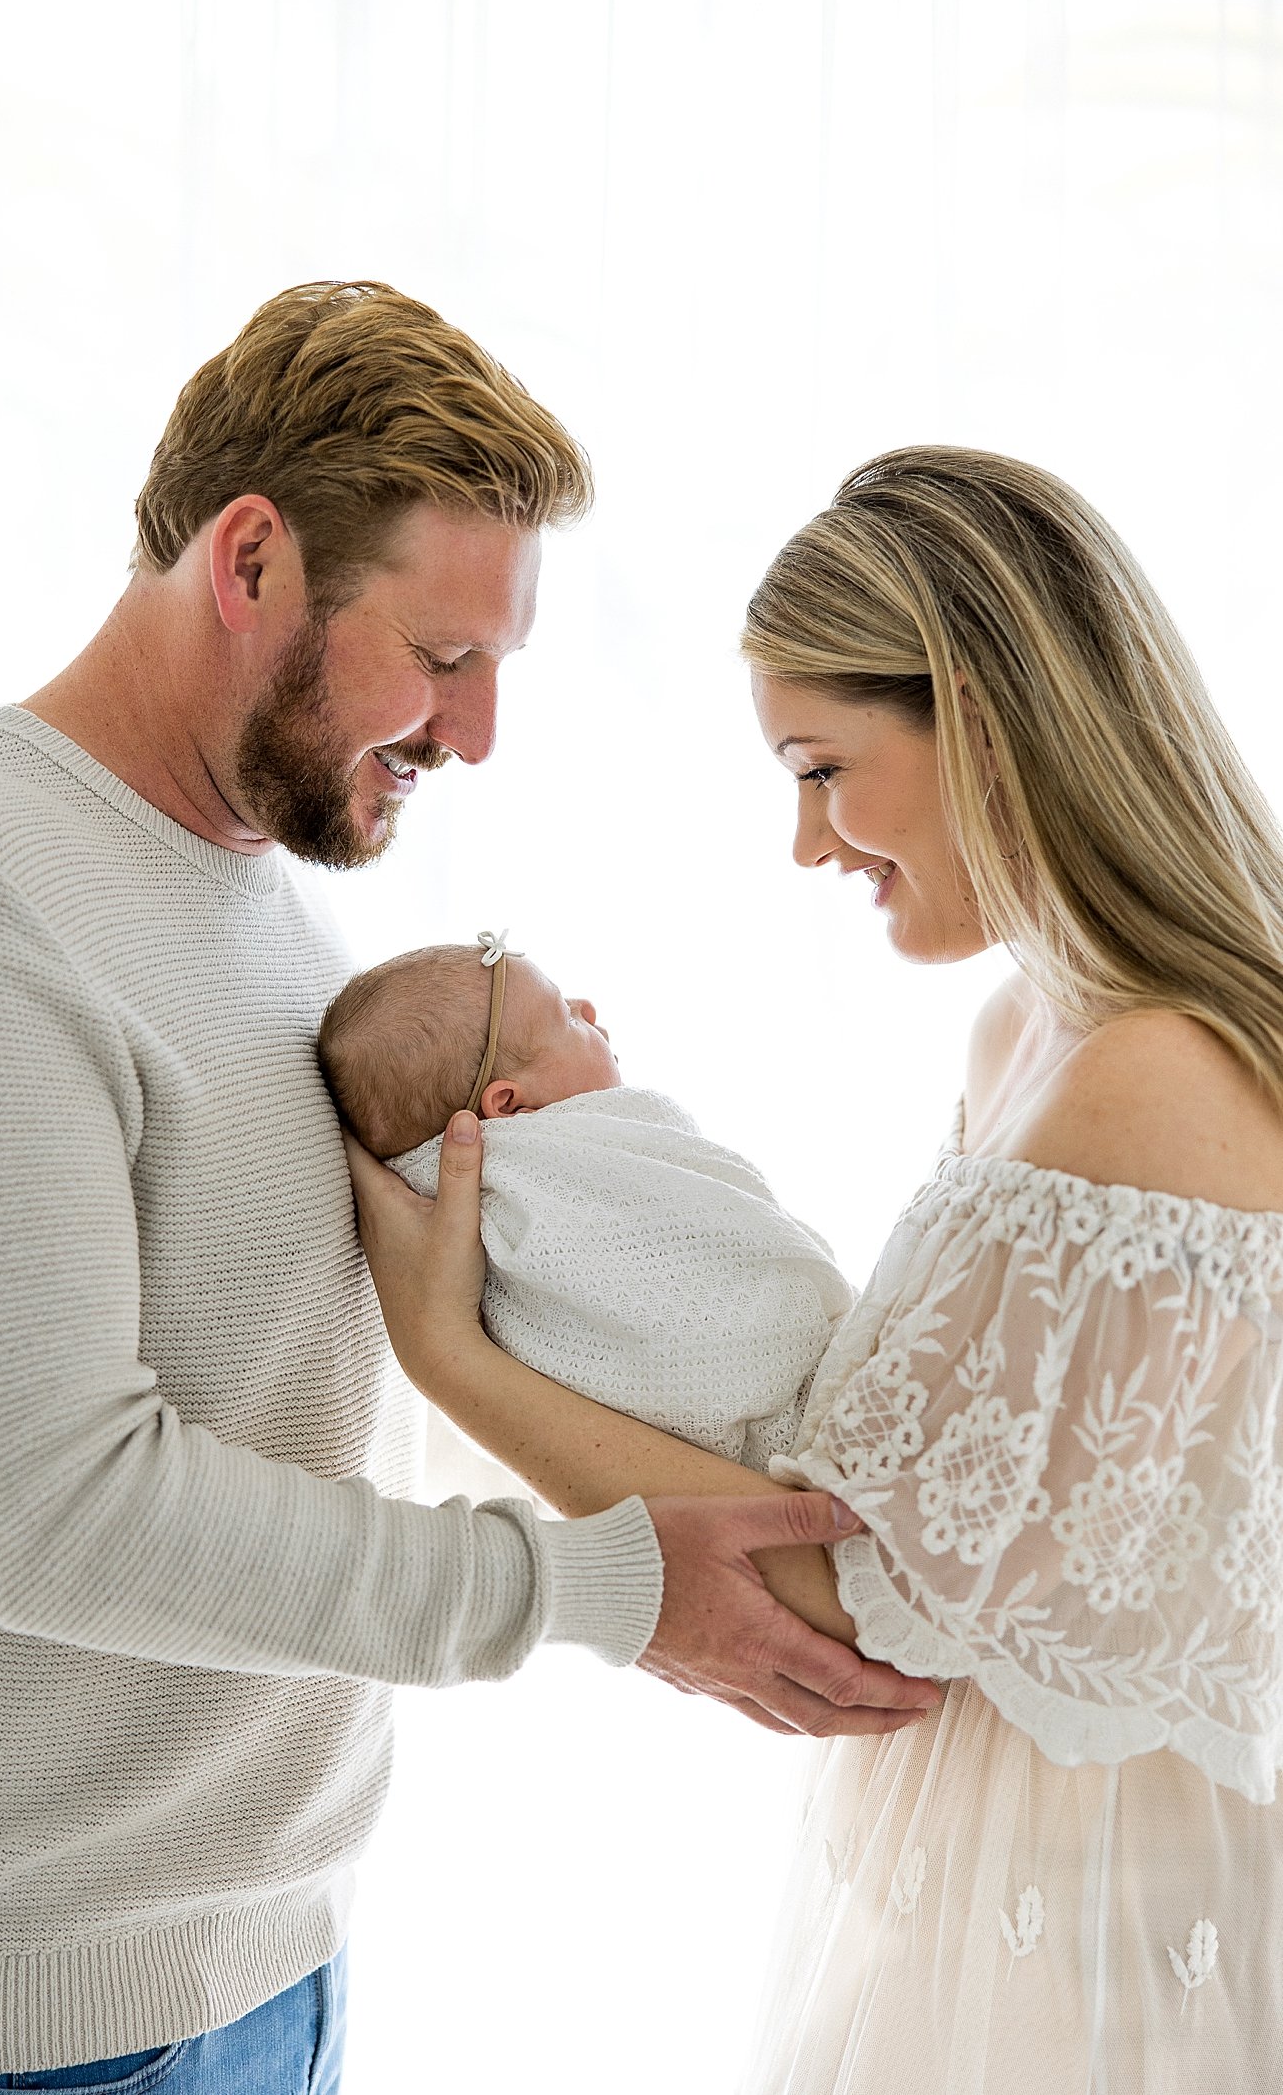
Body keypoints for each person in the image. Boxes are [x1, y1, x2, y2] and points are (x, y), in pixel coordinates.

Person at [0, 282, 934, 2089]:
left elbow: (308, 1404)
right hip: (33, 2023)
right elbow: (57, 1515)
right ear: (250, 560)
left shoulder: (285, 927)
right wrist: (603, 1592)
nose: (480, 734)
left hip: (274, 1960)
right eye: (444, 660)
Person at [346, 446, 1283, 2092]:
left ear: (984, 719)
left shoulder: (1153, 1080)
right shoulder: (1031, 1034)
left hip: (1094, 1923)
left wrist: (461, 1365)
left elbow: (858, 1601)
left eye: (821, 766)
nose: (805, 843)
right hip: (977, 1872)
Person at [318, 933, 853, 1467]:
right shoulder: (521, 1205)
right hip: (811, 1389)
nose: (588, 1008)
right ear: (508, 1104)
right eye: (567, 1019)